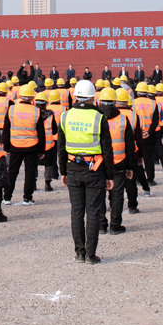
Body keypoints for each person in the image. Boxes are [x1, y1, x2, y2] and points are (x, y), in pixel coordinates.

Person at [58, 80, 114, 263]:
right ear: (92, 98)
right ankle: (91, 255)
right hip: (94, 170)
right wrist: (109, 176)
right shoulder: (99, 118)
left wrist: (63, 172)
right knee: (93, 212)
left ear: (75, 96)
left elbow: (61, 148)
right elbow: (107, 149)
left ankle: (80, 253)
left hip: (73, 168)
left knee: (77, 212)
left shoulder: (65, 117)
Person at [98, 88, 136, 235]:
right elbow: (130, 146)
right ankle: (115, 225)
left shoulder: (95, 118)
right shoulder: (123, 119)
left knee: (99, 194)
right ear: (115, 102)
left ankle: (101, 225)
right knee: (117, 195)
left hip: (99, 163)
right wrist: (130, 167)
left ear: (100, 101)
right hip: (118, 163)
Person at [3, 85, 44, 206]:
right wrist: (42, 150)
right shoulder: (36, 111)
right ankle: (27, 198)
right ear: (32, 97)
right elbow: (41, 133)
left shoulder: (11, 109)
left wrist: (6, 147)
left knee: (12, 172)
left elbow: (6, 130)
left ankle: (7, 197)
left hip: (15, 145)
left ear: (20, 96)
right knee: (30, 173)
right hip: (32, 146)